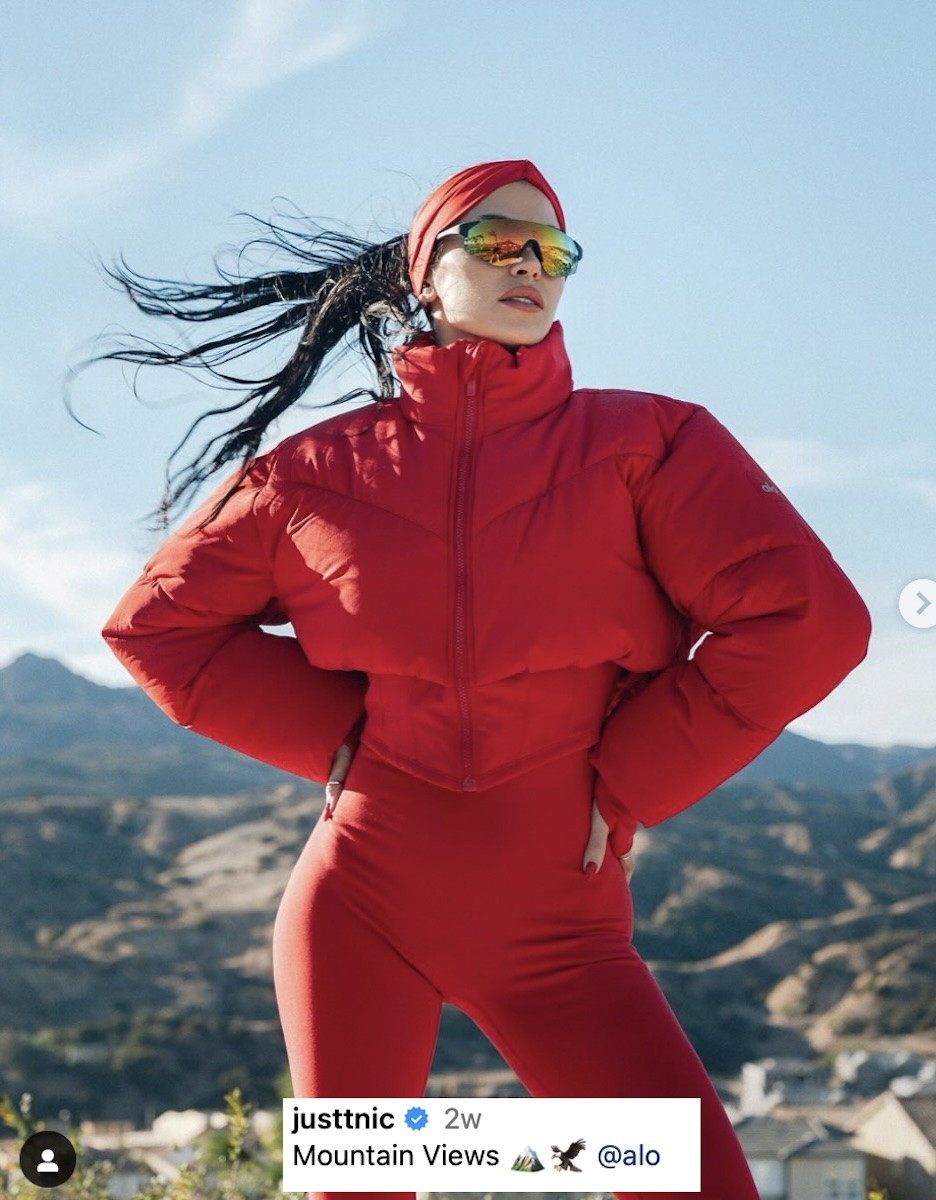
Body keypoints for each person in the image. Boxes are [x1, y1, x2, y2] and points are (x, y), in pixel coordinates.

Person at [101, 159, 871, 1200]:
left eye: (552, 249)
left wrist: (628, 776)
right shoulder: (314, 475)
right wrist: (340, 739)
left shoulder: (651, 443)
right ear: (425, 272)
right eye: (498, 240)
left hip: (560, 932)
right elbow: (157, 626)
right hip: (359, 909)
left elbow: (809, 620)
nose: (531, 265)